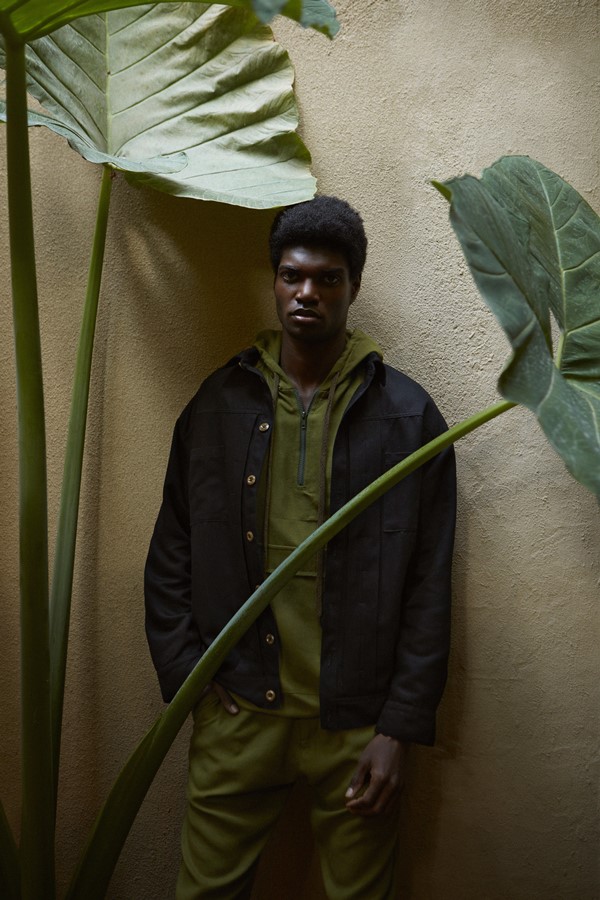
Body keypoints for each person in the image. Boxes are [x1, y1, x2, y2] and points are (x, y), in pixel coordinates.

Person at [144, 196, 456, 899]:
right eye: (293, 276)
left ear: (354, 285)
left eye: (328, 279)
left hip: (357, 724)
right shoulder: (217, 404)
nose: (307, 293)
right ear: (275, 279)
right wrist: (188, 676)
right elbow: (170, 553)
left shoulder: (409, 418)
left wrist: (397, 729)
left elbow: (429, 588)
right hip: (238, 715)